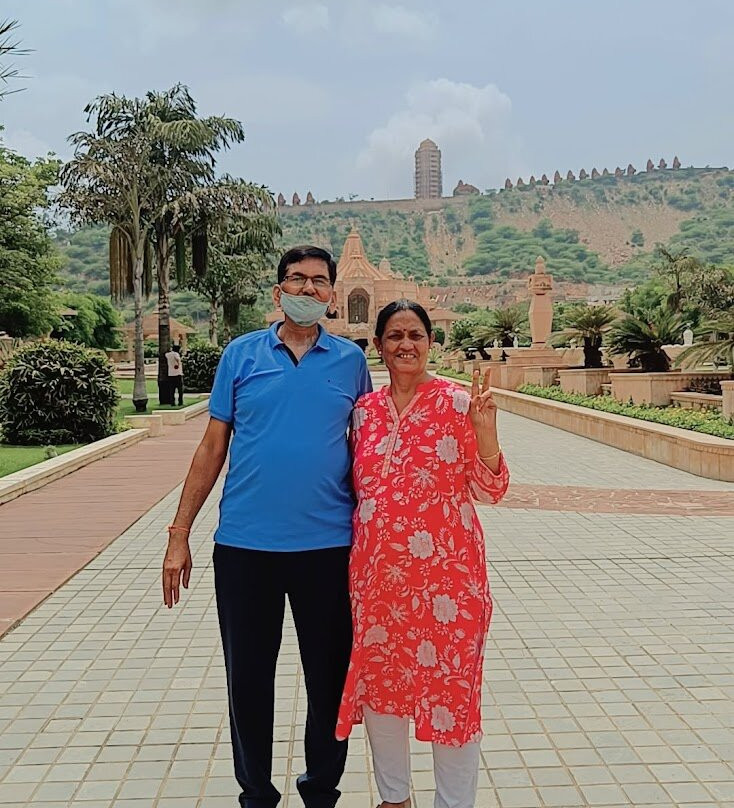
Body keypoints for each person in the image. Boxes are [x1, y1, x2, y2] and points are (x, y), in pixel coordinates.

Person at [162, 245, 372, 808]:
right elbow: (212, 446)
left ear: (331, 294)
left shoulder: (350, 362)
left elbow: (370, 449)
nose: (308, 290)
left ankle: (320, 789)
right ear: (278, 291)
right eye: (297, 280)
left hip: (328, 548)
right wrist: (179, 534)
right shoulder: (241, 354)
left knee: (329, 679)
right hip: (245, 548)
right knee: (249, 680)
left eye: (319, 281)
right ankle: (256, 794)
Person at [336, 299, 509, 808]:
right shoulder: (364, 413)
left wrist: (486, 435)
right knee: (382, 687)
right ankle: (394, 798)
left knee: (452, 691)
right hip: (377, 585)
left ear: (431, 343)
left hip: (448, 585)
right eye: (395, 336)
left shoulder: (458, 404)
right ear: (379, 346)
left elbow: (491, 490)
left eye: (415, 335)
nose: (405, 344)